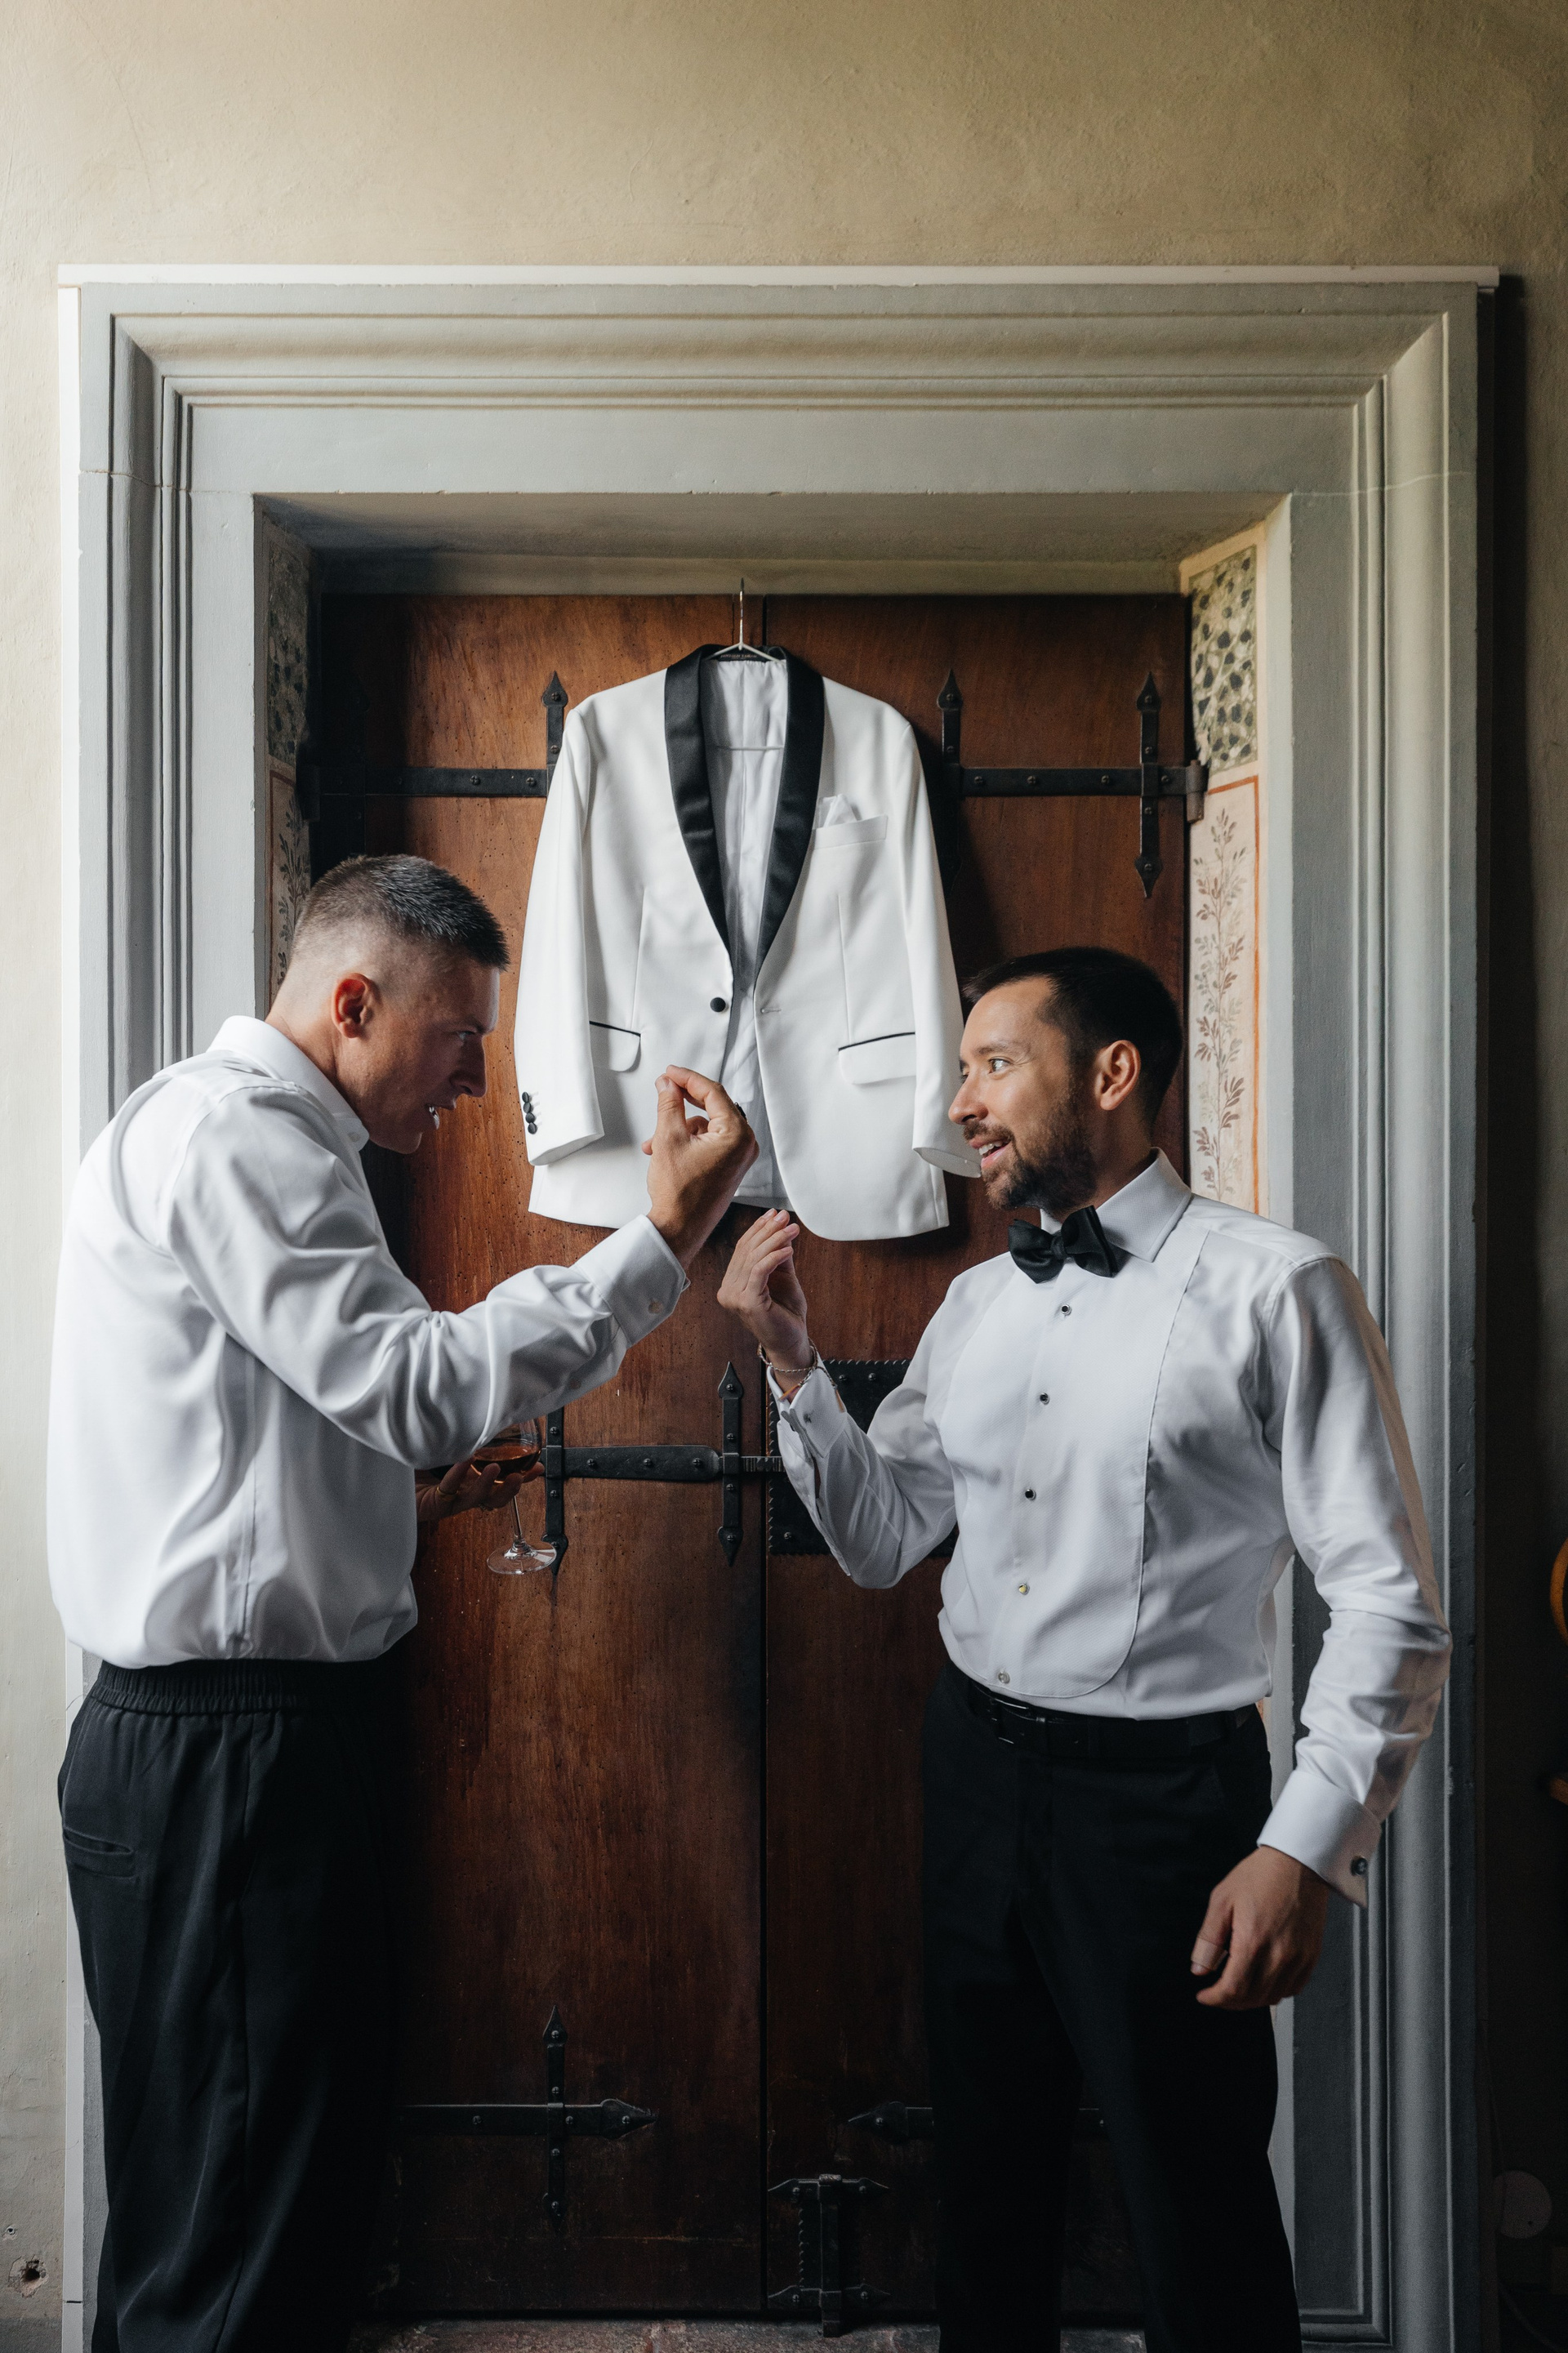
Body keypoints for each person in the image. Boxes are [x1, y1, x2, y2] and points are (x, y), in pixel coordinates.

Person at [48, 853, 755, 2353]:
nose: (477, 1079)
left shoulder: (227, 1129)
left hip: (223, 1746)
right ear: (355, 1002)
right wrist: (662, 1239)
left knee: (228, 2209)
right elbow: (416, 1386)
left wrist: (396, 1510)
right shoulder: (246, 1140)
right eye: (460, 1038)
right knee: (241, 2245)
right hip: (236, 1759)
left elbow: (230, 1449)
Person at [718, 944, 1450, 2353]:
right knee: (986, 2192)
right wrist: (796, 1365)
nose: (962, 1104)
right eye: (963, 1071)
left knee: (1198, 2205)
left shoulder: (1281, 1288)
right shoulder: (976, 1306)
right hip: (974, 1772)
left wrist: (1303, 1849)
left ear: (1112, 1073)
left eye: (995, 1064)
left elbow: (1388, 1600)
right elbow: (880, 1539)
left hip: (1166, 1808)